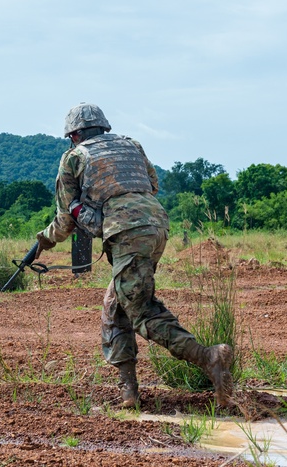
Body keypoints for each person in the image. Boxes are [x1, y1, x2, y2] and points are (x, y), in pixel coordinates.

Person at [35, 103, 234, 408]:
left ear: (73, 135)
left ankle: (210, 358)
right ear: (104, 128)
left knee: (140, 311)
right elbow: (152, 185)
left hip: (126, 231)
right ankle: (129, 394)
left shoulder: (73, 157)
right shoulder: (132, 145)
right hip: (156, 223)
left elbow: (64, 221)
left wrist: (43, 242)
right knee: (115, 307)